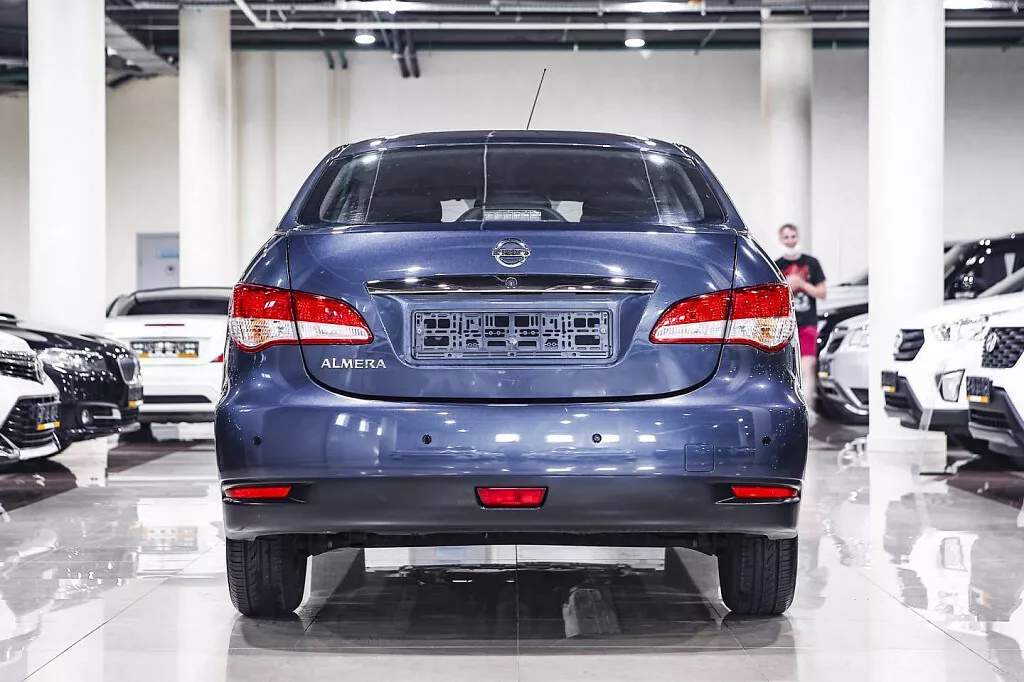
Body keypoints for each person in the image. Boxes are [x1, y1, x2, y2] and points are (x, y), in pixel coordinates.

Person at [774, 224, 827, 403]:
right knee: (786, 369)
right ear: (781, 239)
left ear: (797, 237)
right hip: (786, 325)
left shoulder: (811, 263)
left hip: (808, 323)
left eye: (793, 236)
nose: (790, 241)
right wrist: (788, 285)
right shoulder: (777, 266)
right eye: (786, 237)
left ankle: (808, 407)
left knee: (808, 366)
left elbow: (822, 292)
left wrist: (803, 284)